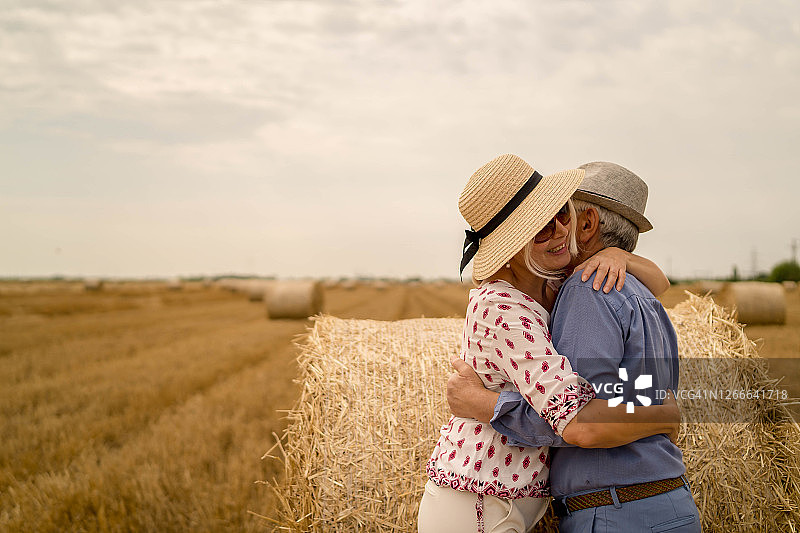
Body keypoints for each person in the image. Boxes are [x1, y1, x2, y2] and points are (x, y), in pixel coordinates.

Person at [417, 155, 682, 533]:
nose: (558, 230)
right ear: (510, 246)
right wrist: (662, 411)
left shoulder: (555, 287)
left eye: (561, 213)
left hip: (515, 499)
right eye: (540, 228)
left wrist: (619, 255)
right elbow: (576, 421)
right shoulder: (502, 307)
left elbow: (658, 284)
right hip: (477, 500)